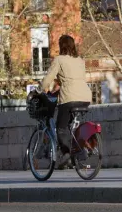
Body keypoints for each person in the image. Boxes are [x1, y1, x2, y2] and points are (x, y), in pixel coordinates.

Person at [42, 35, 92, 168]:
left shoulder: (59, 59)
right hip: (85, 97)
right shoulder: (80, 60)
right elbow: (71, 78)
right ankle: (74, 155)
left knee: (61, 128)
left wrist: (41, 89)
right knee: (71, 127)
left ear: (61, 46)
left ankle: (68, 153)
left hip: (70, 99)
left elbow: (49, 78)